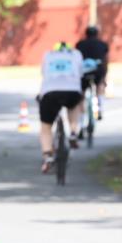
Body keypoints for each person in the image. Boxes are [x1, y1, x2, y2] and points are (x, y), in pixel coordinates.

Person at [38, 42, 84, 173]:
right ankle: (73, 132)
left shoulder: (48, 55)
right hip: (72, 90)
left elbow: (43, 73)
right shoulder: (76, 54)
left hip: (50, 92)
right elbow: (81, 73)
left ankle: (47, 156)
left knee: (46, 127)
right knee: (74, 106)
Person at [75, 25, 108, 120]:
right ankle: (100, 107)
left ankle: (82, 118)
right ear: (97, 34)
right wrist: (104, 77)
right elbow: (105, 61)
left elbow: (77, 60)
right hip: (98, 71)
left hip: (84, 72)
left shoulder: (79, 44)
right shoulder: (103, 44)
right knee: (100, 86)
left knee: (81, 93)